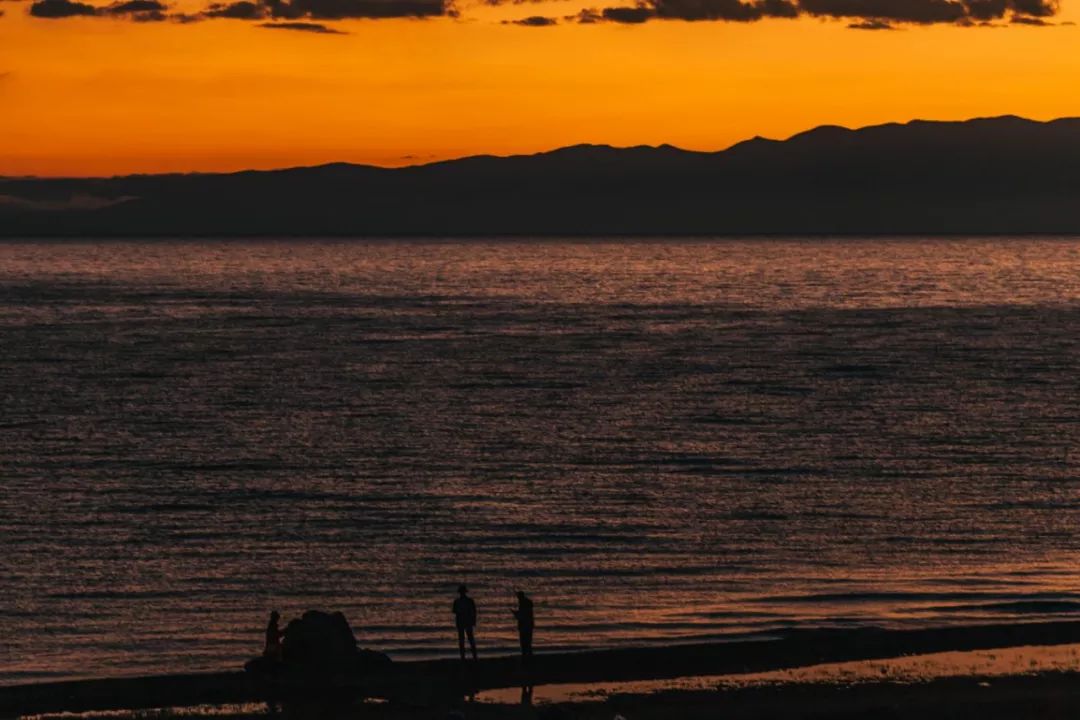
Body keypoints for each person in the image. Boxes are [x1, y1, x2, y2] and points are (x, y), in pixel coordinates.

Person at [453, 585, 478, 661]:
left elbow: (454, 611)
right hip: (466, 621)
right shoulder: (469, 601)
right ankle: (473, 656)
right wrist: (473, 621)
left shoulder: (457, 601)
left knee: (463, 640)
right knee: (469, 639)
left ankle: (464, 657)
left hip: (462, 621)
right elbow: (474, 612)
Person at [512, 591, 534, 660]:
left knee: (524, 643)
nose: (517, 599)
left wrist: (515, 614)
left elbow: (521, 616)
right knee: (528, 642)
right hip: (529, 626)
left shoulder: (522, 604)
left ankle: (525, 657)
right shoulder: (527, 603)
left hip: (524, 626)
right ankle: (529, 657)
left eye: (518, 597)